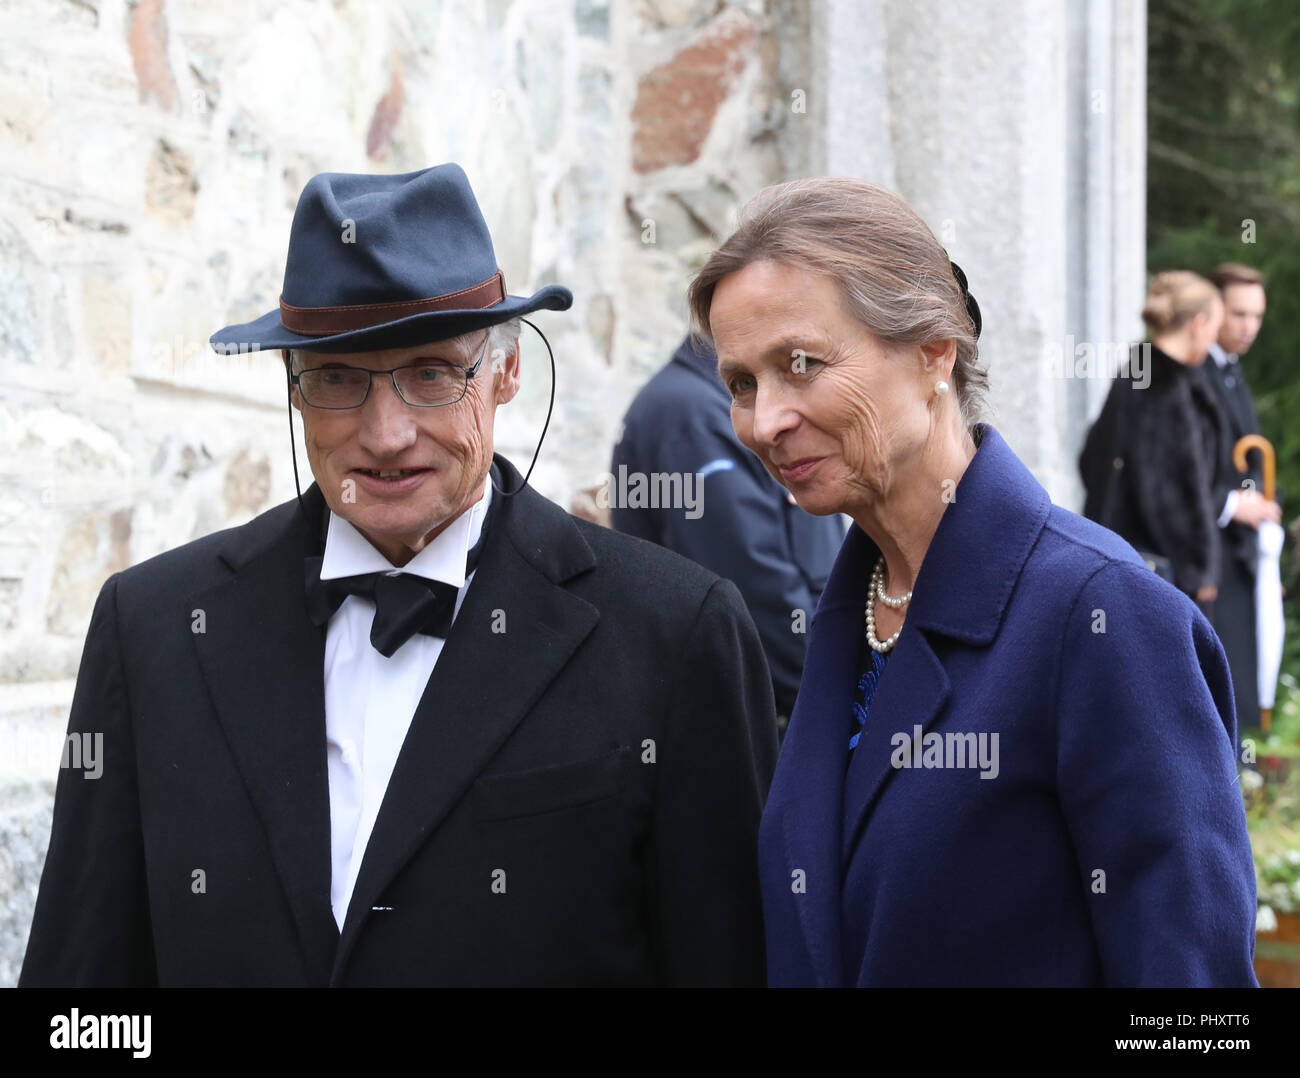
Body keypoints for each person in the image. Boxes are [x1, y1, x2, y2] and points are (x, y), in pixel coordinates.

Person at [20, 164, 778, 987]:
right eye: (340, 379)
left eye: (430, 372)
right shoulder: (153, 627)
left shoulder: (675, 630)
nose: (387, 435)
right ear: (294, 390)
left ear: (506, 374)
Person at [688, 177, 1257, 987]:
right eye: (742, 383)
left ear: (933, 351)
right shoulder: (856, 613)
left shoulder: (1103, 615)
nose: (765, 421)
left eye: (801, 363)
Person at [610, 334, 844, 730]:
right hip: (765, 716)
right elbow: (751, 583)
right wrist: (839, 700)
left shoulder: (698, 402)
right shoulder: (691, 414)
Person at [1080, 272, 1235, 615]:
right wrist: (1198, 568)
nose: (1214, 339)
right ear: (1197, 323)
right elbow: (1171, 493)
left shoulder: (1142, 370)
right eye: (1215, 326)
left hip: (1127, 560)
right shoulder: (1164, 388)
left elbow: (1089, 459)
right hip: (1160, 575)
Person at [1203, 263, 1283, 725]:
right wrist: (1233, 503)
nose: (1248, 327)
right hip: (1205, 554)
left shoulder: (1231, 372)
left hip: (1236, 552)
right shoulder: (1190, 374)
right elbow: (1168, 470)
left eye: (1256, 316)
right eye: (1239, 314)